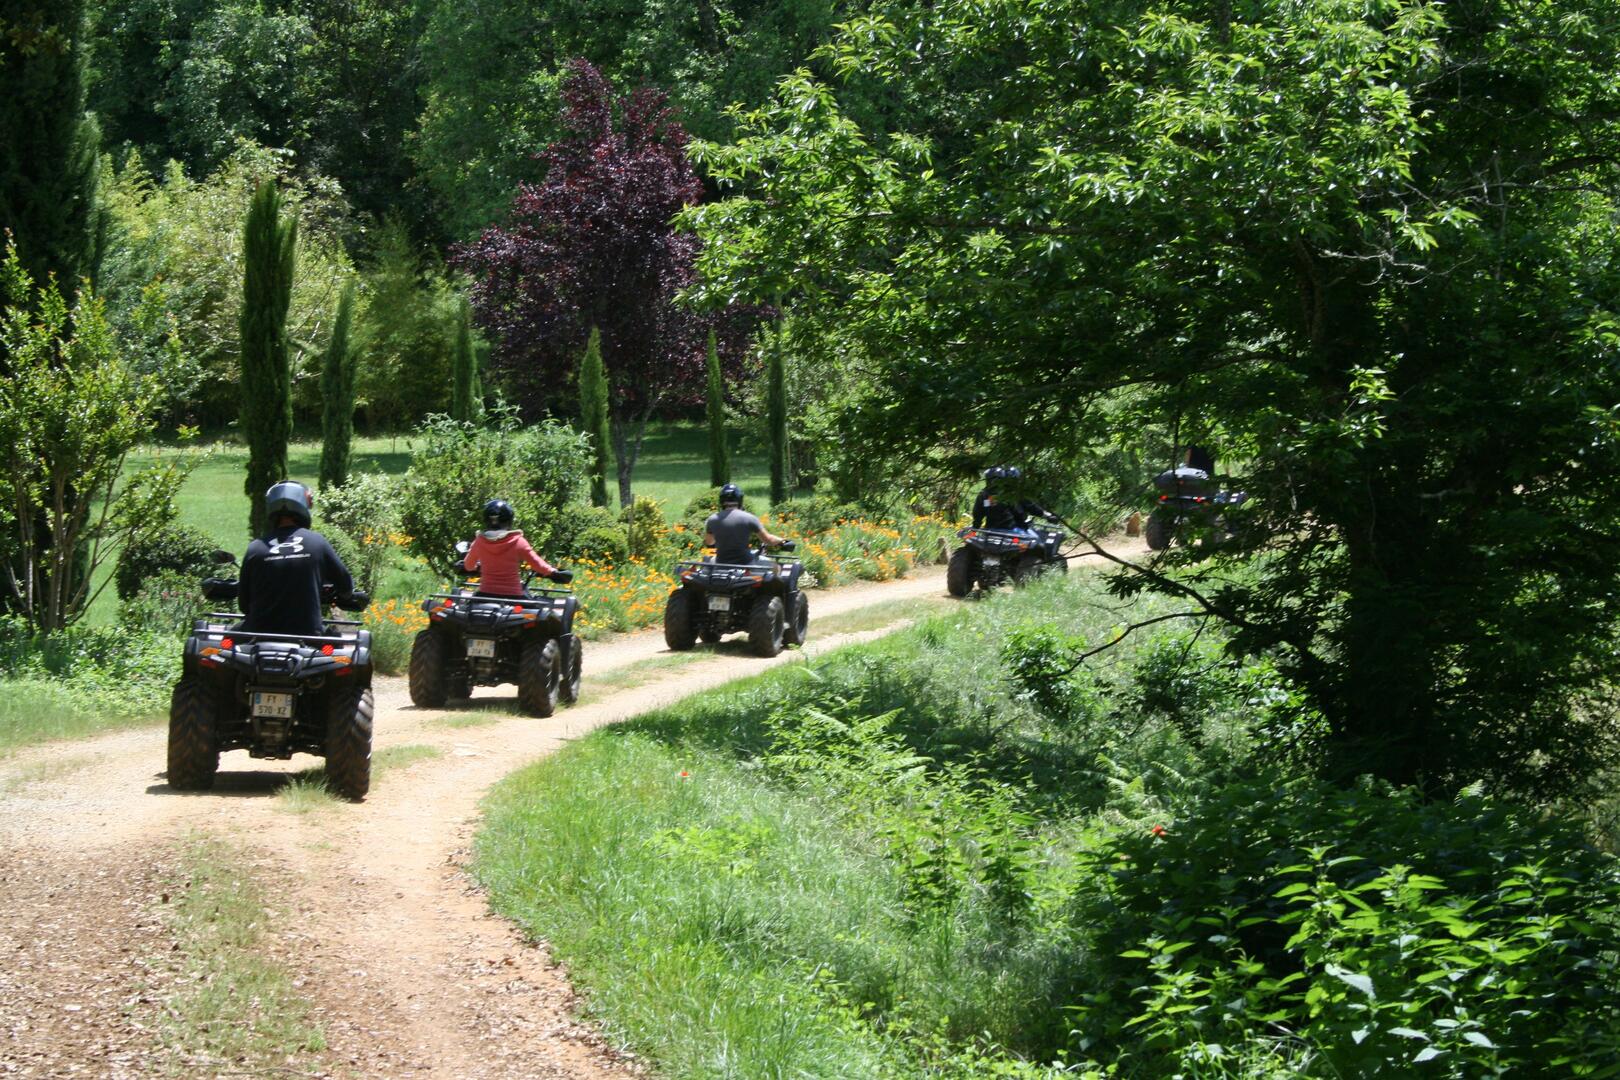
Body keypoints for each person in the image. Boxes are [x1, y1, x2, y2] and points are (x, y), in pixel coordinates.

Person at [239, 481, 357, 636]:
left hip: (257, 636)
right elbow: (346, 586)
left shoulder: (255, 547)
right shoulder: (317, 542)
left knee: (225, 646)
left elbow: (243, 605)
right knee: (341, 649)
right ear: (304, 505)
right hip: (308, 636)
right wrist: (344, 596)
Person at [463, 499, 561, 598]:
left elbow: (468, 566)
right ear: (509, 520)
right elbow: (538, 565)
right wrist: (553, 572)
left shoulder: (479, 542)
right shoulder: (518, 541)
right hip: (513, 596)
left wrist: (479, 566)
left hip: (485, 595)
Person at [703, 483, 786, 564]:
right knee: (776, 567)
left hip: (721, 562)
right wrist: (782, 541)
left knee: (710, 560)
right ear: (740, 500)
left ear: (721, 500)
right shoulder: (749, 518)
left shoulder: (712, 519)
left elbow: (709, 542)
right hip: (746, 562)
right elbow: (768, 540)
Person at [971, 466, 1059, 531]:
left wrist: (975, 528)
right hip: (1014, 530)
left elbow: (977, 514)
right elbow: (1032, 507)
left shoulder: (984, 495)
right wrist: (1048, 516)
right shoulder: (1013, 495)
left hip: (990, 531)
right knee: (1036, 543)